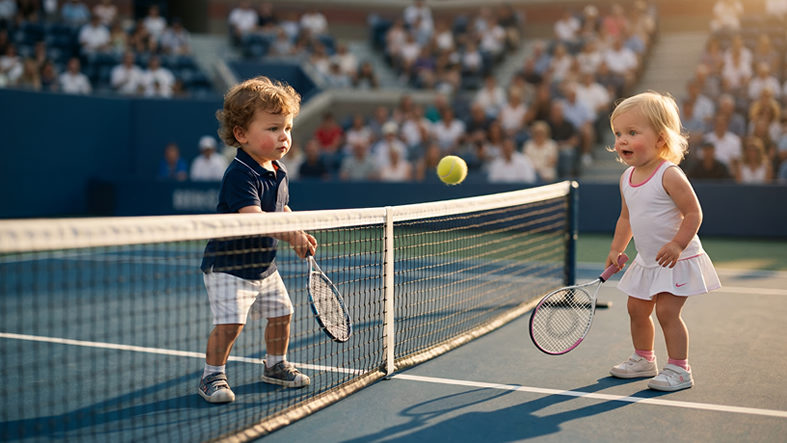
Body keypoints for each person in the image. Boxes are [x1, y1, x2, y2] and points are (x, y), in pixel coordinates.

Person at [198, 76, 317, 403]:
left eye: (288, 128)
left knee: (283, 314)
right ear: (241, 134)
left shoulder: (278, 171)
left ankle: (275, 366)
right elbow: (253, 217)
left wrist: (297, 232)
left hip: (263, 267)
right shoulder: (239, 174)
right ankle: (212, 376)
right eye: (273, 128)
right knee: (231, 325)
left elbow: (281, 209)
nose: (284, 136)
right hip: (229, 268)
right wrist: (288, 231)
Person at [606, 91, 721, 392]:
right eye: (619, 133)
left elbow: (693, 213)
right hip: (648, 261)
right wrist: (617, 248)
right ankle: (644, 359)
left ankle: (680, 369)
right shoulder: (626, 178)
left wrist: (678, 244)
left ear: (660, 139)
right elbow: (626, 219)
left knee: (667, 313)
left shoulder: (669, 174)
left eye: (632, 132)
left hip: (676, 258)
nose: (623, 140)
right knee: (636, 309)